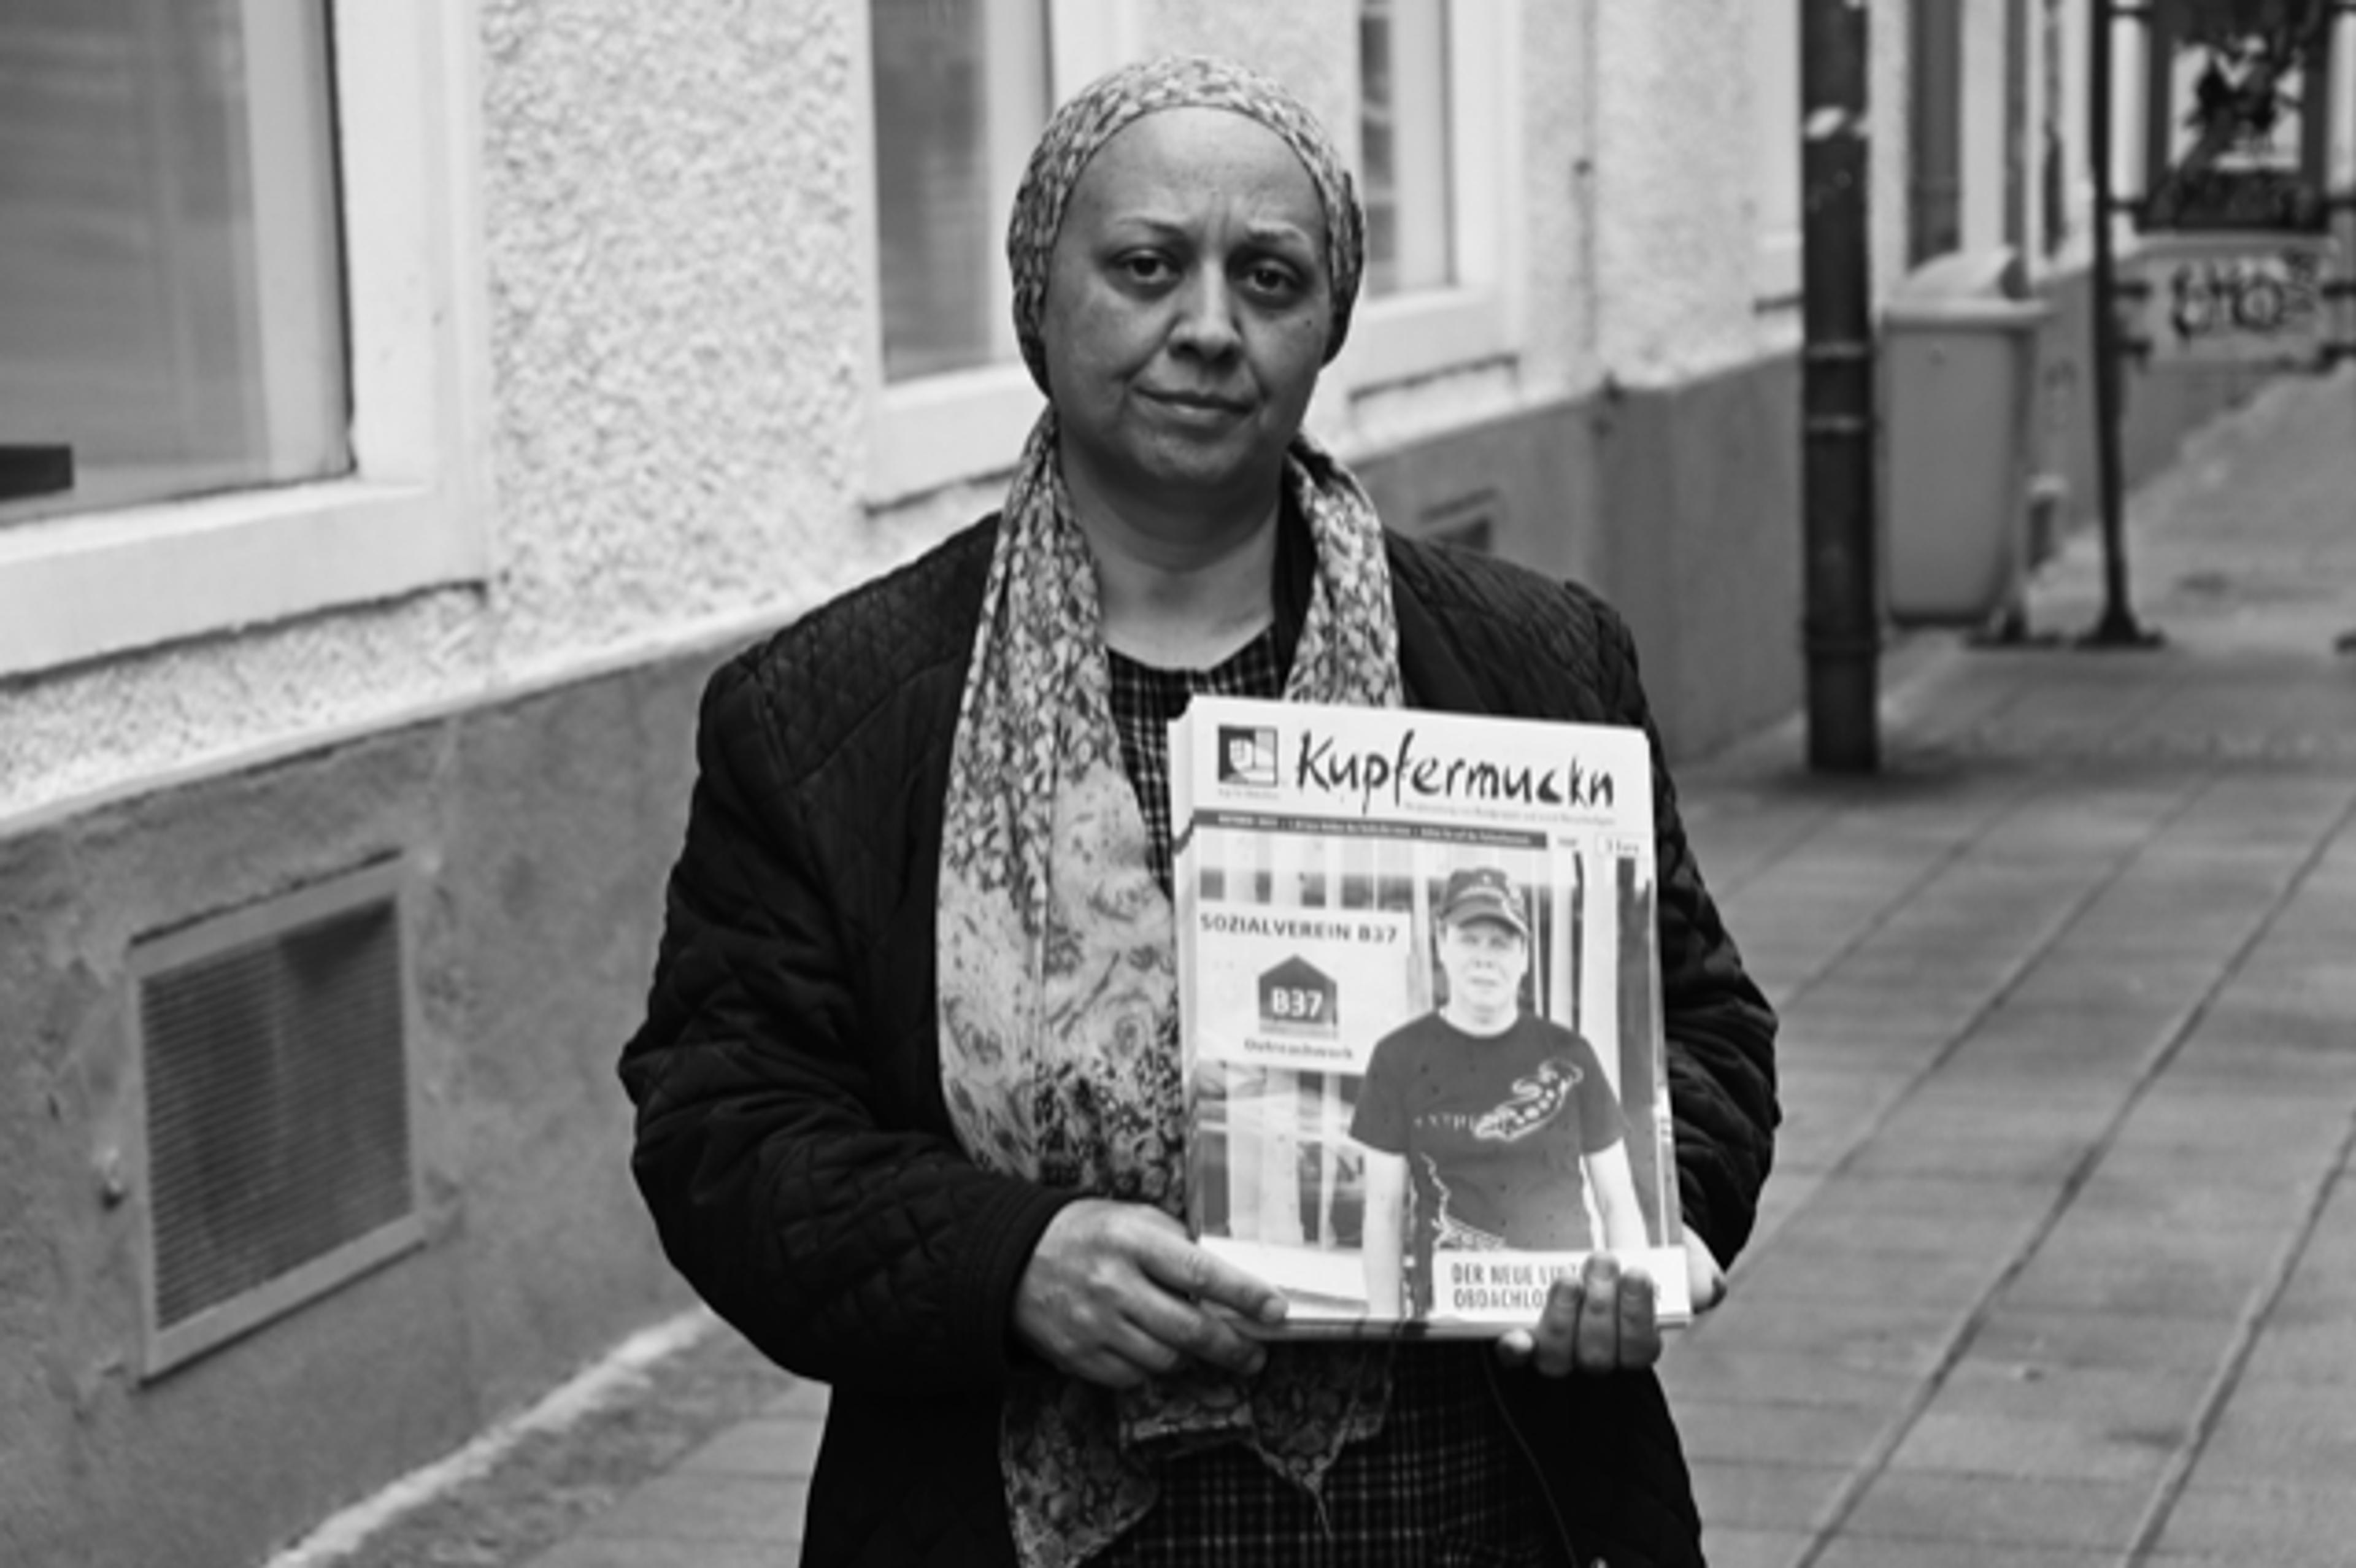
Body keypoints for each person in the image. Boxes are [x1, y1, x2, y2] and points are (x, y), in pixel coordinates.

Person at [620, 54, 1777, 1568]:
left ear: (1327, 326)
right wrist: (1007, 1261)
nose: (1210, 328)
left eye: (1271, 278)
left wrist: (1629, 1217)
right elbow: (728, 1126)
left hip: (1463, 1511)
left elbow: (1700, 1033)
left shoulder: (1532, 665)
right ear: (1042, 295)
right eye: (1148, 266)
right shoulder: (828, 717)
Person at [1353, 866, 1651, 1321]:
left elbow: (1618, 1199)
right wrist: (1385, 1328)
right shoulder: (1397, 1057)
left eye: (1500, 942)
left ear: (1526, 955)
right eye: (1469, 939)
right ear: (1441, 944)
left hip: (1565, 1313)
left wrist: (1625, 1313)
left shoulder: (1571, 1056)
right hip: (1446, 1322)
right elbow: (1383, 1210)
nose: (1484, 958)